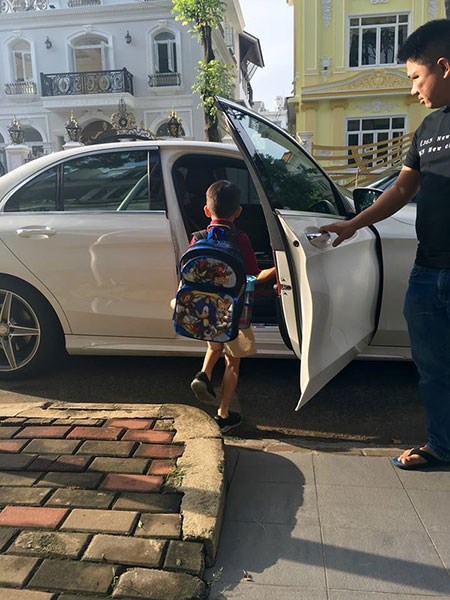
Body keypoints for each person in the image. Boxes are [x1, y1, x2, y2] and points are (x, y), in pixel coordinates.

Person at [320, 19, 450, 470]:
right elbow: (400, 189)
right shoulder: (428, 129)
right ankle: (442, 446)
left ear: (444, 67)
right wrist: (353, 224)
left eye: (416, 77)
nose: (413, 90)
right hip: (428, 272)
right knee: (433, 369)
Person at [190, 180, 276, 433]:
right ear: (238, 211)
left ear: (206, 210)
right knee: (232, 363)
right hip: (234, 312)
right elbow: (253, 275)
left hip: (207, 309)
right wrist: (279, 269)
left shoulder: (197, 237)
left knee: (214, 346)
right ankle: (223, 413)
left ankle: (204, 374)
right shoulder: (240, 238)